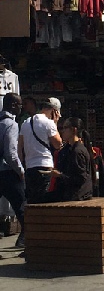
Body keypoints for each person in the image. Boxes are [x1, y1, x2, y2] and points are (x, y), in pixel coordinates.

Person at [18, 97, 63, 204]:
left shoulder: (26, 123)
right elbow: (58, 145)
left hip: (29, 167)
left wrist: (22, 166)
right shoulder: (49, 123)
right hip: (45, 166)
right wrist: (55, 124)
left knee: (32, 201)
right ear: (54, 111)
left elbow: (20, 148)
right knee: (43, 201)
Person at [46, 117, 94, 202]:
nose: (62, 131)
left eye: (65, 128)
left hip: (77, 194)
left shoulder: (77, 151)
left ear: (73, 130)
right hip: (71, 193)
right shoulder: (69, 149)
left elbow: (80, 179)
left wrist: (60, 175)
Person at [0, 93, 26, 249]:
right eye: (20, 105)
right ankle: (24, 241)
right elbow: (10, 153)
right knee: (22, 207)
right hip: (7, 172)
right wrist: (20, 170)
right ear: (13, 105)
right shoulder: (11, 124)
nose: (21, 108)